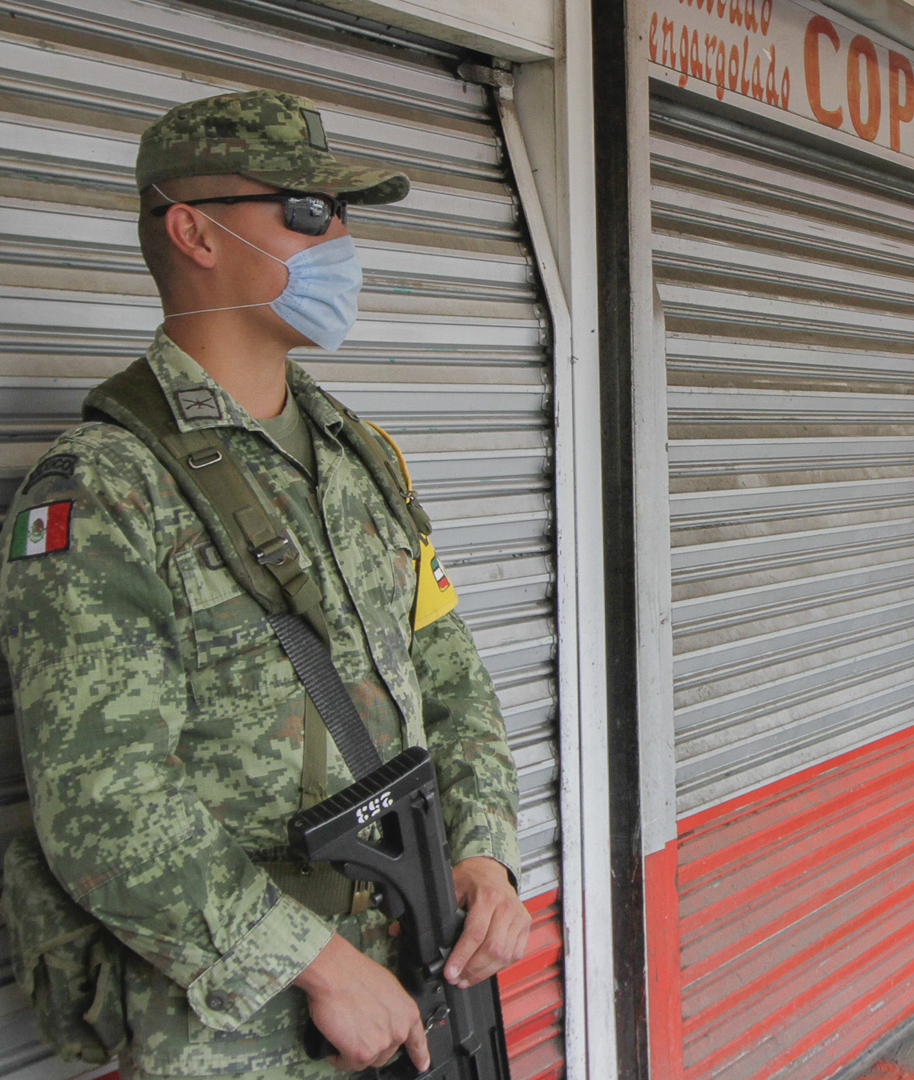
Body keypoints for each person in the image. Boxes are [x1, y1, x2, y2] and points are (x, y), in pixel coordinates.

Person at [0, 91, 528, 1079]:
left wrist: (485, 857)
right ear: (193, 231)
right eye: (308, 212)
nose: (342, 243)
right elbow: (100, 798)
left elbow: (449, 675)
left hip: (423, 972)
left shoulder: (362, 455)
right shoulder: (107, 486)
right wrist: (312, 962)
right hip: (243, 1031)